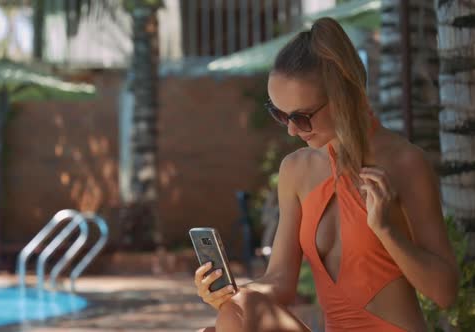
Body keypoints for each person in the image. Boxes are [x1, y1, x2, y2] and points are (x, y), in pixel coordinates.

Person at [194, 17, 459, 332]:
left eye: (301, 117)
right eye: (279, 114)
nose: (291, 129)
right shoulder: (296, 169)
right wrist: (228, 296)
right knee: (235, 312)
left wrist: (387, 230)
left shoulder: (404, 162)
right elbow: (280, 281)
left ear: (342, 97)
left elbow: (445, 293)